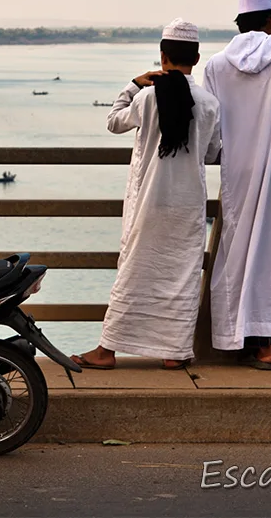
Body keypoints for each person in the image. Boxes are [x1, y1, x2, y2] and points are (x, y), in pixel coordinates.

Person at [70, 19, 221, 371]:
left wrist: (134, 83)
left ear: (162, 56)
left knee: (135, 271)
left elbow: (113, 121)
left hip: (148, 202)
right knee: (181, 274)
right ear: (196, 58)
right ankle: (175, 351)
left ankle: (107, 351)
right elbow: (213, 153)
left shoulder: (147, 97)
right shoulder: (210, 104)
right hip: (187, 204)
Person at [202, 0, 271, 369]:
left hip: (239, 167)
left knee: (242, 251)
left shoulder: (216, 65)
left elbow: (213, 124)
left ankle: (256, 343)